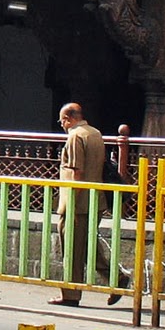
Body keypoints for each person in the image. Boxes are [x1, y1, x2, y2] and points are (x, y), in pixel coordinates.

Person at [48, 101, 123, 307]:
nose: (62, 125)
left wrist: (72, 201)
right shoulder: (95, 133)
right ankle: (117, 280)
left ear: (67, 119)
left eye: (61, 121)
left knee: (71, 249)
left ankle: (70, 295)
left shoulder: (75, 137)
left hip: (77, 204)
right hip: (95, 201)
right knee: (88, 247)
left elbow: (77, 173)